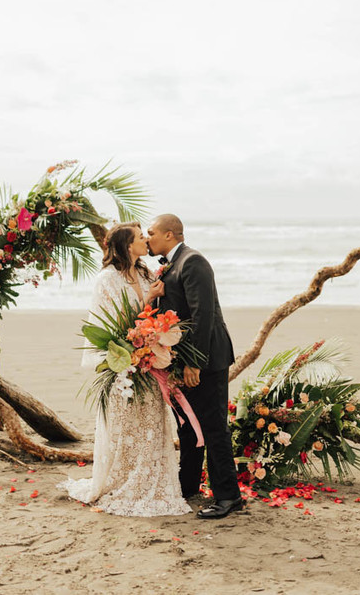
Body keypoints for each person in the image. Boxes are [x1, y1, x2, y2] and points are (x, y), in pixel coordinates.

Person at [58, 222, 191, 517]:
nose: (146, 240)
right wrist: (147, 300)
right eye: (140, 237)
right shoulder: (107, 279)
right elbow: (111, 323)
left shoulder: (146, 273)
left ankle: (152, 479)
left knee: (150, 423)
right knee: (127, 425)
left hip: (149, 360)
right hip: (123, 363)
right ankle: (124, 480)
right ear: (128, 245)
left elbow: (155, 314)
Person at [147, 214, 243, 520]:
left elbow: (203, 316)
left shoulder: (193, 262)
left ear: (170, 234)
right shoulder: (172, 265)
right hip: (182, 358)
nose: (147, 238)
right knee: (187, 426)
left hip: (207, 359)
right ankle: (187, 486)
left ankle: (228, 496)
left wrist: (194, 362)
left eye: (151, 232)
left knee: (213, 427)